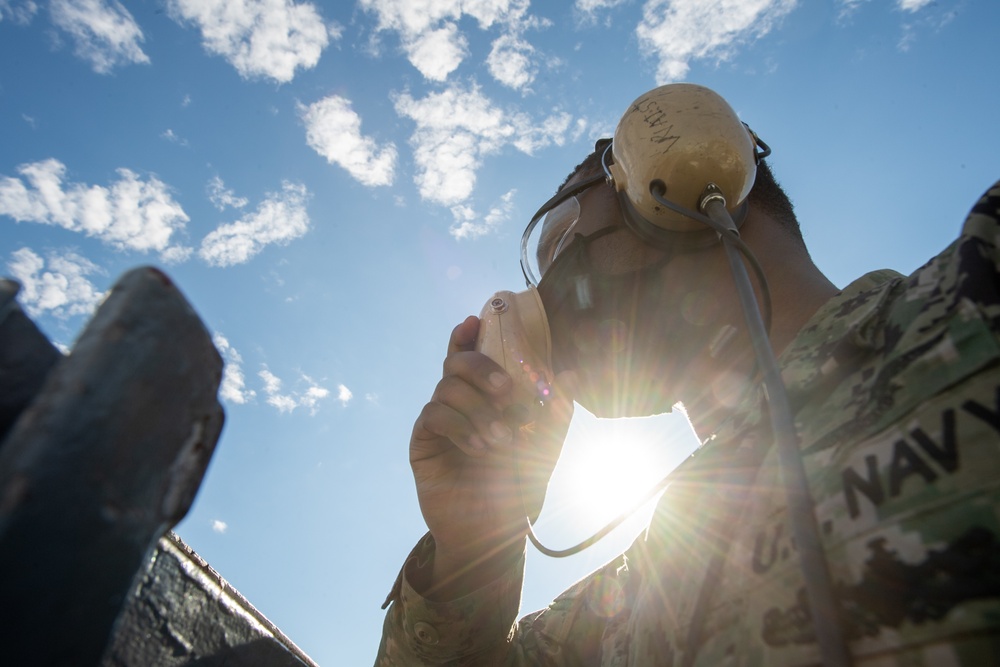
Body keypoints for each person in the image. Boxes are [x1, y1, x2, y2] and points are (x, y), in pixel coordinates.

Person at [374, 83, 1000, 665]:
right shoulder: (647, 578)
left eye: (563, 245)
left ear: (690, 185)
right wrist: (471, 548)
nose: (546, 295)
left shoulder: (981, 289)